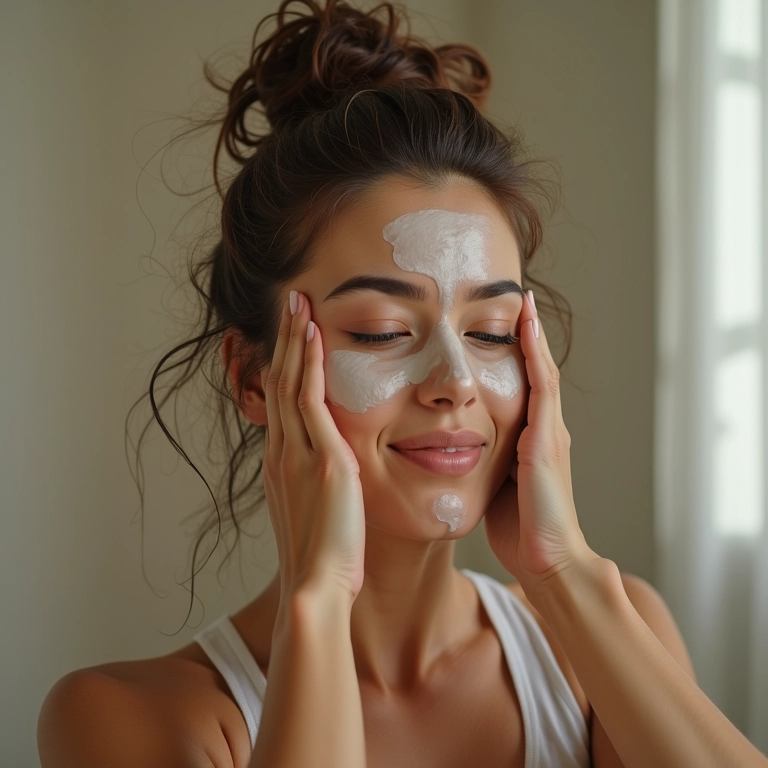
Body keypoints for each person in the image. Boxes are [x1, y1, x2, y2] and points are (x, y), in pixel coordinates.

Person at [37, 1, 768, 766]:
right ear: (255, 378)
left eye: (490, 333)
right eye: (383, 332)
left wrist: (565, 574)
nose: (456, 381)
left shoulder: (606, 639)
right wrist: (316, 605)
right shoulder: (129, 718)